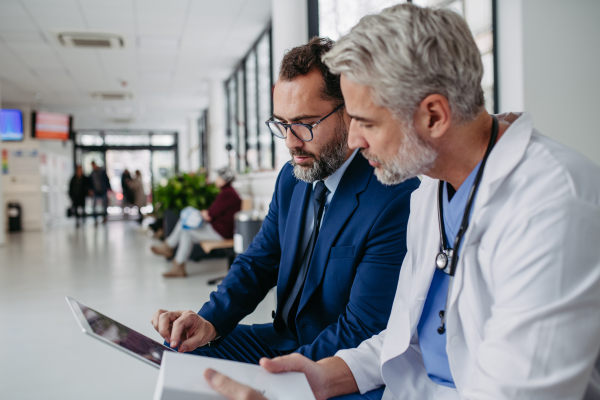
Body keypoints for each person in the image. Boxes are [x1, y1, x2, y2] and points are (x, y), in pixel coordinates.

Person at [201, 4, 600, 400]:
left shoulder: (555, 205)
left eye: (367, 122)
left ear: (433, 116)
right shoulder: (431, 188)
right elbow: (405, 340)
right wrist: (319, 379)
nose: (354, 141)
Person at [150, 38, 420, 371]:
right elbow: (259, 261)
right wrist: (209, 323)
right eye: (282, 124)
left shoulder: (392, 196)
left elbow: (362, 329)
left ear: (349, 113)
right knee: (178, 351)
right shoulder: (292, 179)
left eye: (305, 124)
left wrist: (281, 375)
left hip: (336, 357)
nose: (291, 142)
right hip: (281, 339)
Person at [151, 167, 242, 277]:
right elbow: (213, 212)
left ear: (224, 179)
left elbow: (210, 215)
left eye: (218, 177)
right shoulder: (228, 192)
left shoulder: (227, 193)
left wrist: (204, 213)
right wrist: (205, 213)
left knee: (185, 226)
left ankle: (169, 247)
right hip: (219, 229)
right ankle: (177, 265)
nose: (216, 179)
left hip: (221, 232)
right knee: (186, 231)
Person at [89, 161, 111, 225]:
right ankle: (95, 219)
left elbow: (106, 180)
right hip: (96, 191)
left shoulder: (102, 171)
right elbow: (91, 182)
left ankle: (104, 217)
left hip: (103, 190)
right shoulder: (92, 173)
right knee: (94, 206)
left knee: (104, 205)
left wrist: (109, 188)